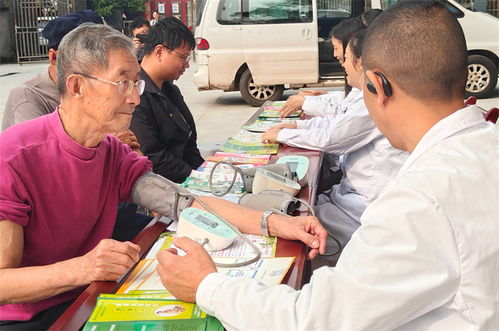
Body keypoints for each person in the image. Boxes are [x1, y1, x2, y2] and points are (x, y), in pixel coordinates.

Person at [156, 1, 499, 329]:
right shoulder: (484, 144)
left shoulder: (421, 199)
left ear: (378, 85)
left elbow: (311, 320)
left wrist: (206, 285)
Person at [0, 24, 325, 329]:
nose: (135, 97)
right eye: (122, 82)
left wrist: (274, 222)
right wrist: (83, 268)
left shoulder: (111, 151)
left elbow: (181, 202)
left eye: (136, 83)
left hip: (93, 294)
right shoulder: (13, 157)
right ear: (77, 86)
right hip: (34, 317)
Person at [263, 30, 407, 262]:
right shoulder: (366, 95)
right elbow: (338, 121)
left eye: (345, 59)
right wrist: (294, 128)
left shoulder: (375, 100)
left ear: (362, 63)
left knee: (292, 226)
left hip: (362, 206)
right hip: (350, 195)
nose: (343, 66)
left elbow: (334, 137)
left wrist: (286, 134)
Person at [130, 17, 204, 183]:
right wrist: (196, 176)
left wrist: (206, 172)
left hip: (187, 180)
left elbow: (189, 143)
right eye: (182, 57)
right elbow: (153, 157)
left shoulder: (171, 90)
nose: (186, 65)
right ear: (159, 51)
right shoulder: (136, 95)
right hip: (162, 188)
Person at [1, 10, 102, 131]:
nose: (97, 63)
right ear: (54, 57)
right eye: (84, 56)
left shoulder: (104, 86)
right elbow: (38, 147)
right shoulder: (28, 97)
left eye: (102, 55)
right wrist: (107, 140)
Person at [279, 18, 366, 118]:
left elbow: (343, 112)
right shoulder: (360, 83)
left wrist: (306, 103)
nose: (335, 54)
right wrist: (322, 95)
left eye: (336, 48)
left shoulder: (366, 85)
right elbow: (347, 100)